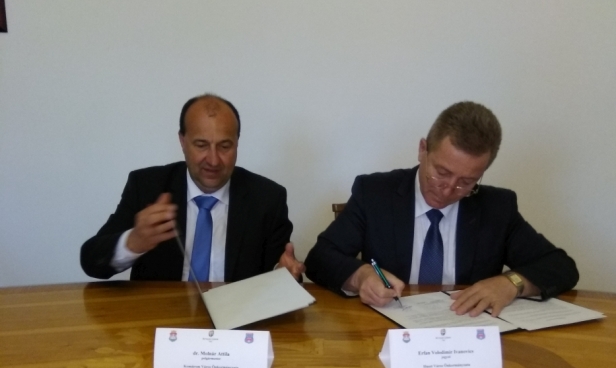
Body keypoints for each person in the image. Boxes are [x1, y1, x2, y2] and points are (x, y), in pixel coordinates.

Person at [305, 101, 578, 317]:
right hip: (386, 334)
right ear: (423, 150)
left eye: (466, 182)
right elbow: (320, 258)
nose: (448, 190)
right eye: (442, 173)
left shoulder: (496, 208)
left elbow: (561, 267)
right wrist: (361, 276)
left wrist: (511, 283)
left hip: (467, 333)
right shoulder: (375, 193)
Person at [80, 94, 305, 282]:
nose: (213, 160)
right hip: (162, 316)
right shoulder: (147, 186)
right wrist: (133, 241)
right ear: (182, 141)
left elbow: (281, 273)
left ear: (237, 143)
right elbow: (91, 261)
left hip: (237, 319)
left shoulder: (267, 198)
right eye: (201, 145)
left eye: (225, 146)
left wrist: (284, 275)